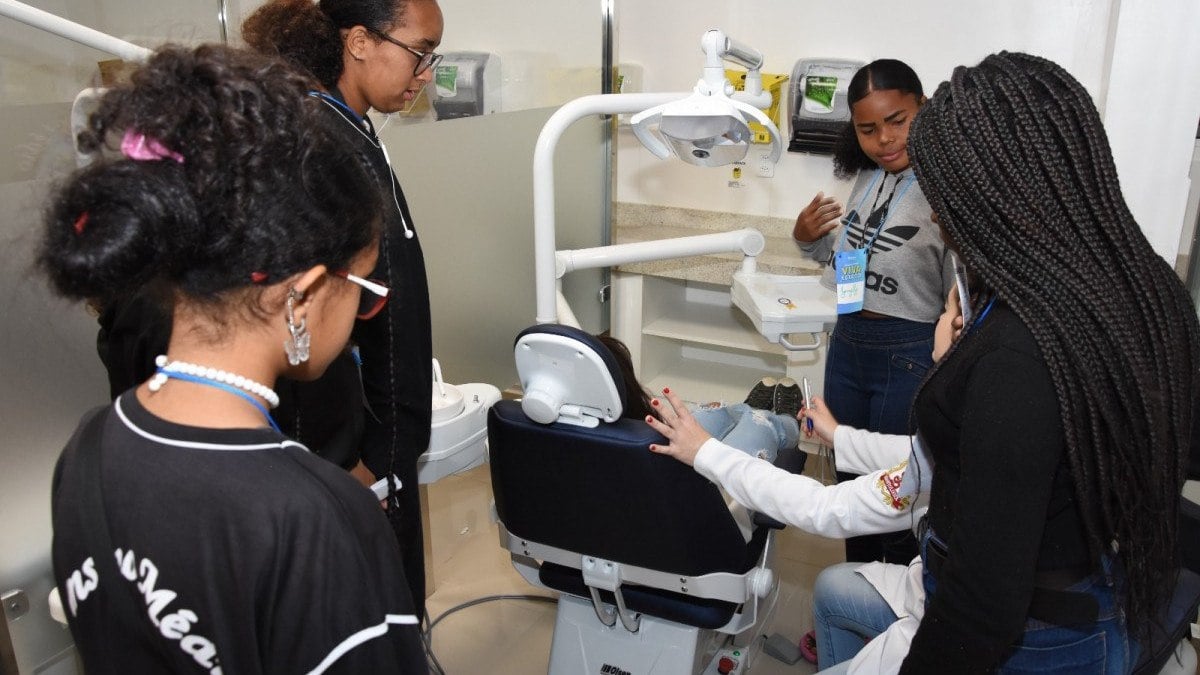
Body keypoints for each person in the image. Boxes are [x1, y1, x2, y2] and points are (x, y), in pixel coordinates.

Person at [657, 51, 1200, 674]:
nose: (937, 212)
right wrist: (836, 435)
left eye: (943, 195)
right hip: (1068, 593)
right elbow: (921, 467)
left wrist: (707, 453)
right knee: (842, 587)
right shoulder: (1136, 290)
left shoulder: (1015, 365)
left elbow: (978, 614)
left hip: (1031, 637)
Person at [43, 45, 427, 672]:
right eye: (362, 286)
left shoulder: (89, 448)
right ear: (300, 296)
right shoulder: (317, 517)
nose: (362, 311)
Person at [241, 0, 444, 621]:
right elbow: (300, 316)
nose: (427, 72)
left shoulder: (352, 131)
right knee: (363, 611)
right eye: (419, 51)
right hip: (354, 444)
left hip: (383, 429)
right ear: (359, 40)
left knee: (394, 599)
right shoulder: (317, 145)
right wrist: (338, 460)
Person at [792, 59, 953, 566]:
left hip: (907, 354)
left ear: (923, 108)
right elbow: (852, 268)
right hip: (849, 347)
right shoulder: (869, 177)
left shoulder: (947, 184)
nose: (884, 139)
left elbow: (958, 301)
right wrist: (807, 240)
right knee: (848, 488)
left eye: (897, 120)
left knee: (895, 493)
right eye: (868, 129)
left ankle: (895, 618)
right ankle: (854, 596)